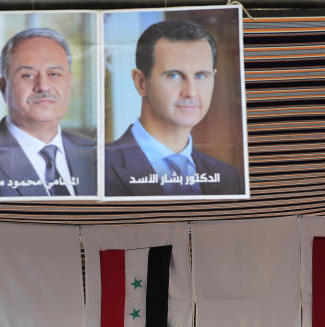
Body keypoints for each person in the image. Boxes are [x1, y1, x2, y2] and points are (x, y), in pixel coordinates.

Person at [104, 19, 243, 197]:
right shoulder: (98, 168)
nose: (191, 92)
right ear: (141, 82)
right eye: (174, 75)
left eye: (201, 75)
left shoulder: (229, 178)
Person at [0, 28, 96, 198]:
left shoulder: (99, 155)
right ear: (3, 87)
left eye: (54, 74)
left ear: (69, 82)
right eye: (28, 75)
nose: (43, 86)